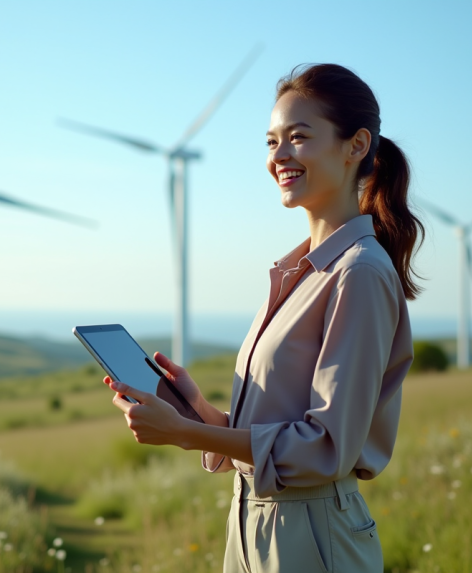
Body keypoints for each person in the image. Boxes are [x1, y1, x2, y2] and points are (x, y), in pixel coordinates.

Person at [103, 63, 423, 573]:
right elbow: (276, 431)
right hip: (253, 523)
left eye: (298, 137)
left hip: (313, 535)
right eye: (272, 141)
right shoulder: (297, 273)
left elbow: (326, 447)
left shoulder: (358, 272)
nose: (279, 156)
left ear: (356, 145)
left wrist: (186, 434)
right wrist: (199, 413)